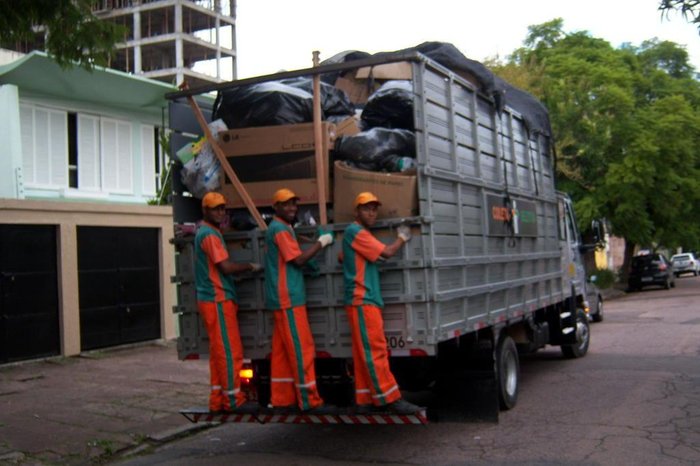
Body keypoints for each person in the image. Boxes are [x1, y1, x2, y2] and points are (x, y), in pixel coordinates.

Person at [341, 192, 421, 414]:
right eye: (367, 208)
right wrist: (402, 238)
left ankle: (365, 400)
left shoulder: (357, 234)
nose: (372, 212)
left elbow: (343, 258)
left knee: (363, 353)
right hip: (362, 300)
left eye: (375, 208)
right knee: (375, 350)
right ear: (356, 211)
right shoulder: (355, 231)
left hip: (363, 300)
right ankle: (390, 398)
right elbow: (386, 253)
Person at [264, 188, 334, 412]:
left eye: (294, 203)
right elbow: (298, 260)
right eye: (286, 204)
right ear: (275, 207)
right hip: (288, 299)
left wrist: (311, 240)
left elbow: (294, 248)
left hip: (282, 298)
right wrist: (321, 243)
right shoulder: (280, 229)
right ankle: (310, 400)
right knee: (301, 348)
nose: (292, 208)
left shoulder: (283, 228)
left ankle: (282, 399)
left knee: (283, 353)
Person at [195, 192, 260, 413]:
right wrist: (249, 266)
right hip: (217, 299)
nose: (220, 212)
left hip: (213, 299)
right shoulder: (209, 235)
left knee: (218, 354)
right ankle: (233, 400)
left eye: (222, 208)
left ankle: (217, 399)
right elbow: (225, 267)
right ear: (205, 211)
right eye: (215, 208)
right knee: (229, 352)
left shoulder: (211, 232)